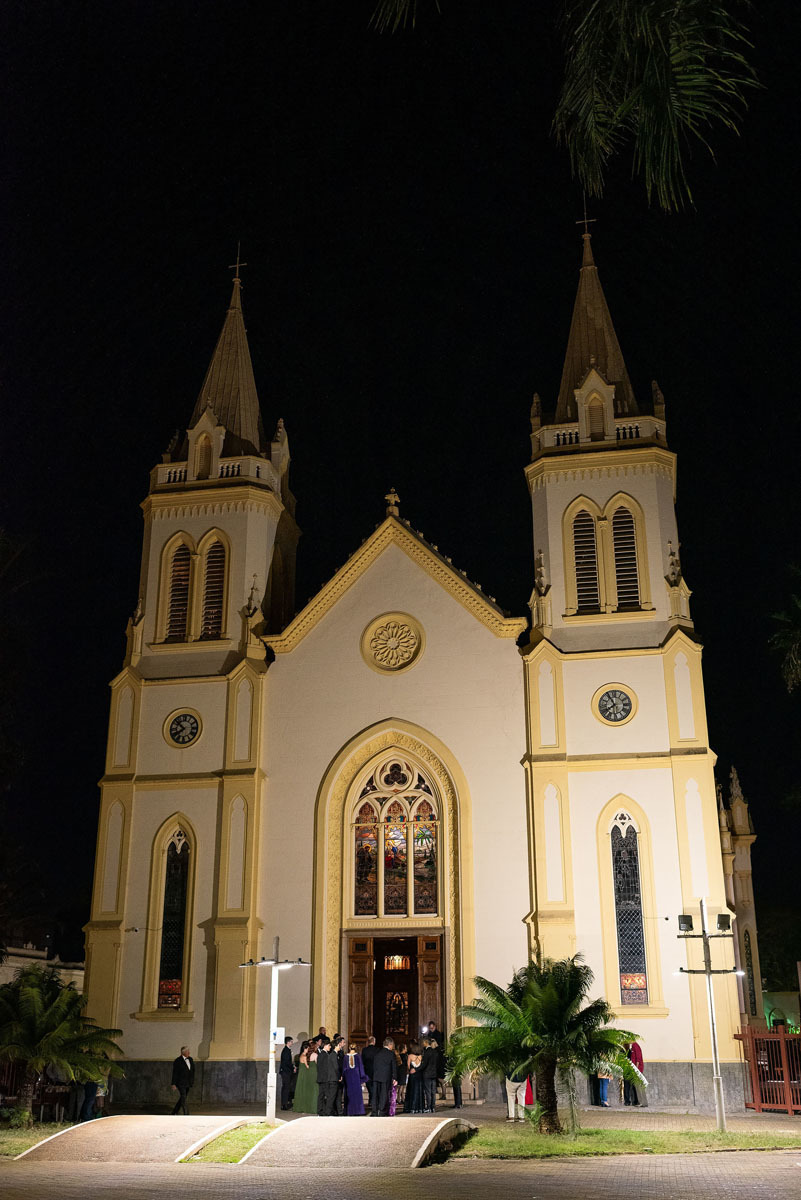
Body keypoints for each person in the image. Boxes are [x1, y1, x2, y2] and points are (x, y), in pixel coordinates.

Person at [371, 1037, 397, 1116]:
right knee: (384, 1094)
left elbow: (374, 1065)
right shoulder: (391, 1054)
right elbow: (394, 1067)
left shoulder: (377, 1053)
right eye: (392, 1045)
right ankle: (382, 1111)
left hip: (376, 1076)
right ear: (390, 1044)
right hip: (385, 1077)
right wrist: (395, 1078)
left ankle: (374, 1112)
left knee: (375, 1095)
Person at [316, 1037, 339, 1116]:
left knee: (321, 1095)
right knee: (328, 1095)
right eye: (329, 1046)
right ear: (325, 1045)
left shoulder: (321, 1054)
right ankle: (326, 1111)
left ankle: (320, 1111)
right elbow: (325, 1068)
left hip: (321, 1078)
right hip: (325, 1078)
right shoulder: (324, 1055)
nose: (330, 1047)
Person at [293, 1041, 318, 1114]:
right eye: (308, 1048)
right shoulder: (304, 1056)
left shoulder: (301, 1055)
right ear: (306, 1048)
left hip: (301, 1073)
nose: (308, 1050)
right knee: (304, 1089)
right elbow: (307, 1066)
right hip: (304, 1074)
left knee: (301, 1089)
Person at [343, 1044, 368, 1115]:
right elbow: (361, 1067)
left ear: (349, 1048)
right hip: (356, 1077)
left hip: (348, 1077)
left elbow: (344, 1069)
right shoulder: (358, 1057)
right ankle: (358, 1110)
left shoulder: (345, 1057)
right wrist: (363, 1077)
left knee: (349, 1093)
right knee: (357, 1093)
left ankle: (349, 1111)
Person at [170, 1045, 195, 1115]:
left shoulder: (191, 1059)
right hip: (180, 1083)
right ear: (183, 1053)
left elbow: (192, 1071)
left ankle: (174, 1112)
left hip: (188, 1083)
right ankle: (186, 1114)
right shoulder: (177, 1061)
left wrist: (192, 1081)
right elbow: (175, 1073)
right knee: (183, 1098)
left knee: (182, 1098)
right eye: (187, 1051)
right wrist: (173, 1083)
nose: (189, 1052)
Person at [420, 1037, 438, 1113]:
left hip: (427, 1074)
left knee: (428, 1091)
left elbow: (424, 1064)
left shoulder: (426, 1052)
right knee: (433, 1091)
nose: (422, 1044)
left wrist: (417, 1069)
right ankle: (433, 1107)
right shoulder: (435, 1052)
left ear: (425, 1042)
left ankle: (429, 1107)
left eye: (423, 1042)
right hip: (434, 1074)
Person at [405, 1041, 423, 1113]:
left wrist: (410, 1070)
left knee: (412, 1091)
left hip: (412, 1076)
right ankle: (419, 1108)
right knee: (419, 1091)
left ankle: (411, 1108)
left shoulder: (410, 1056)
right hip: (419, 1076)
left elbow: (408, 1066)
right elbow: (421, 1066)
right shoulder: (421, 1056)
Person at [361, 1035, 377, 1112]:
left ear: (368, 1042)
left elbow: (362, 1061)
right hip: (375, 1071)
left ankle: (371, 1100)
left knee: (369, 1086)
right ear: (374, 1042)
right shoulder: (377, 1050)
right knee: (374, 1086)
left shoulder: (364, 1050)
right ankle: (373, 1100)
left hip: (367, 1071)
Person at [279, 1035, 295, 1110]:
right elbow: (286, 1063)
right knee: (286, 1088)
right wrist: (292, 1068)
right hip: (286, 1072)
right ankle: (284, 1104)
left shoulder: (287, 1050)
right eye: (291, 1041)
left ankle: (285, 1103)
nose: (292, 1043)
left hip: (286, 1071)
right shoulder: (286, 1051)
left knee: (286, 1088)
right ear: (288, 1042)